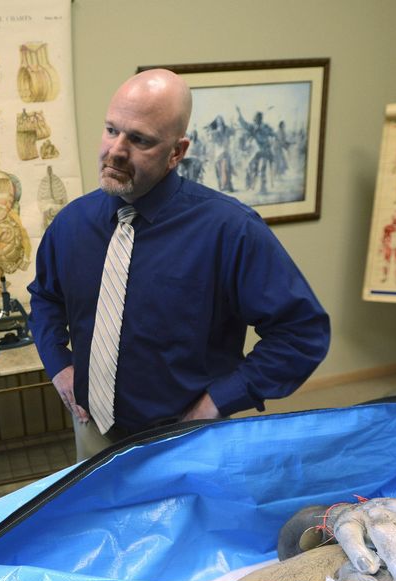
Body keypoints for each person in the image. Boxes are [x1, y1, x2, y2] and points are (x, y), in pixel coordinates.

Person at [27, 68, 330, 461]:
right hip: (92, 429)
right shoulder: (72, 224)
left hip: (188, 438)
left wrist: (218, 402)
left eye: (139, 140)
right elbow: (45, 297)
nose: (116, 150)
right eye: (111, 130)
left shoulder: (230, 230)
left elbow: (301, 333)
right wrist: (58, 363)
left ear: (177, 152)